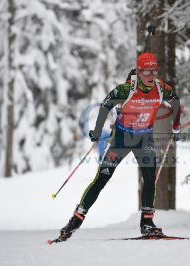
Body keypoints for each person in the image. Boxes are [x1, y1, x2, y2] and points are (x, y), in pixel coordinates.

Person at [57, 52, 181, 241]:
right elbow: (105, 106)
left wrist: (176, 126)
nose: (151, 76)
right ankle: (75, 221)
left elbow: (176, 102)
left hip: (144, 139)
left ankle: (147, 223)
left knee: (149, 177)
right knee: (102, 178)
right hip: (121, 140)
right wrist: (98, 131)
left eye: (154, 71)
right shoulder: (125, 89)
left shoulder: (161, 88)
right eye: (147, 72)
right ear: (139, 72)